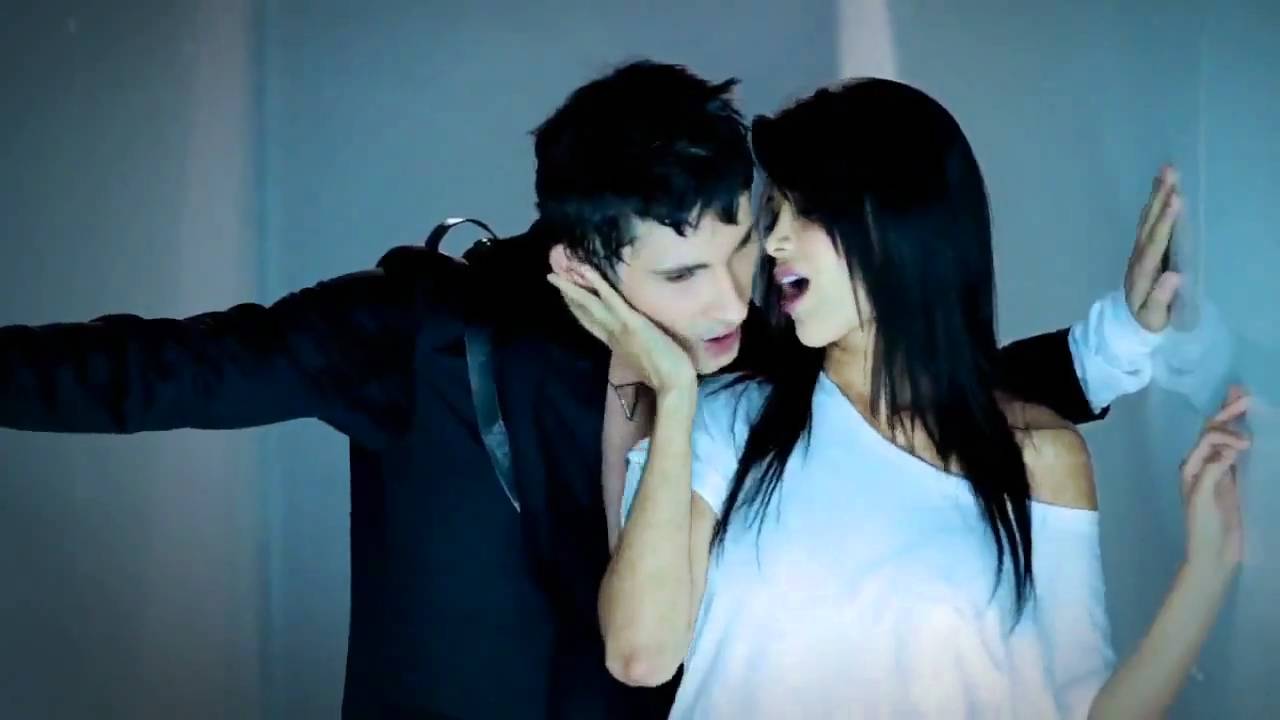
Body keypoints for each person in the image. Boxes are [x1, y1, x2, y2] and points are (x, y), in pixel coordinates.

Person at [1, 61, 1171, 719]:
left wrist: (1105, 350)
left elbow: (899, 402)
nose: (733, 296)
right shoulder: (420, 333)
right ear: (584, 267)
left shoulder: (756, 328)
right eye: (682, 276)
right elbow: (150, 371)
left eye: (742, 248)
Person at [588, 78, 1247, 718]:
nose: (775, 241)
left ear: (899, 221)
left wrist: (1207, 571)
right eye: (773, 213)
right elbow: (640, 655)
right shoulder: (726, 422)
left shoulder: (1041, 457)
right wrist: (674, 393)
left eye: (806, 210)